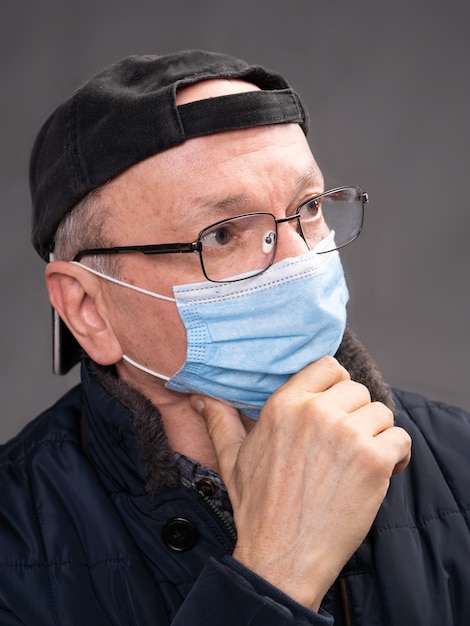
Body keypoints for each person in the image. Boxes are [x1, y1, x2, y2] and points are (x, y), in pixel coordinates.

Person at [0, 50, 468, 625]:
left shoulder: (461, 463)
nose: (300, 262)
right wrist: (276, 576)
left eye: (310, 208)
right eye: (222, 234)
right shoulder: (16, 543)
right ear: (88, 308)